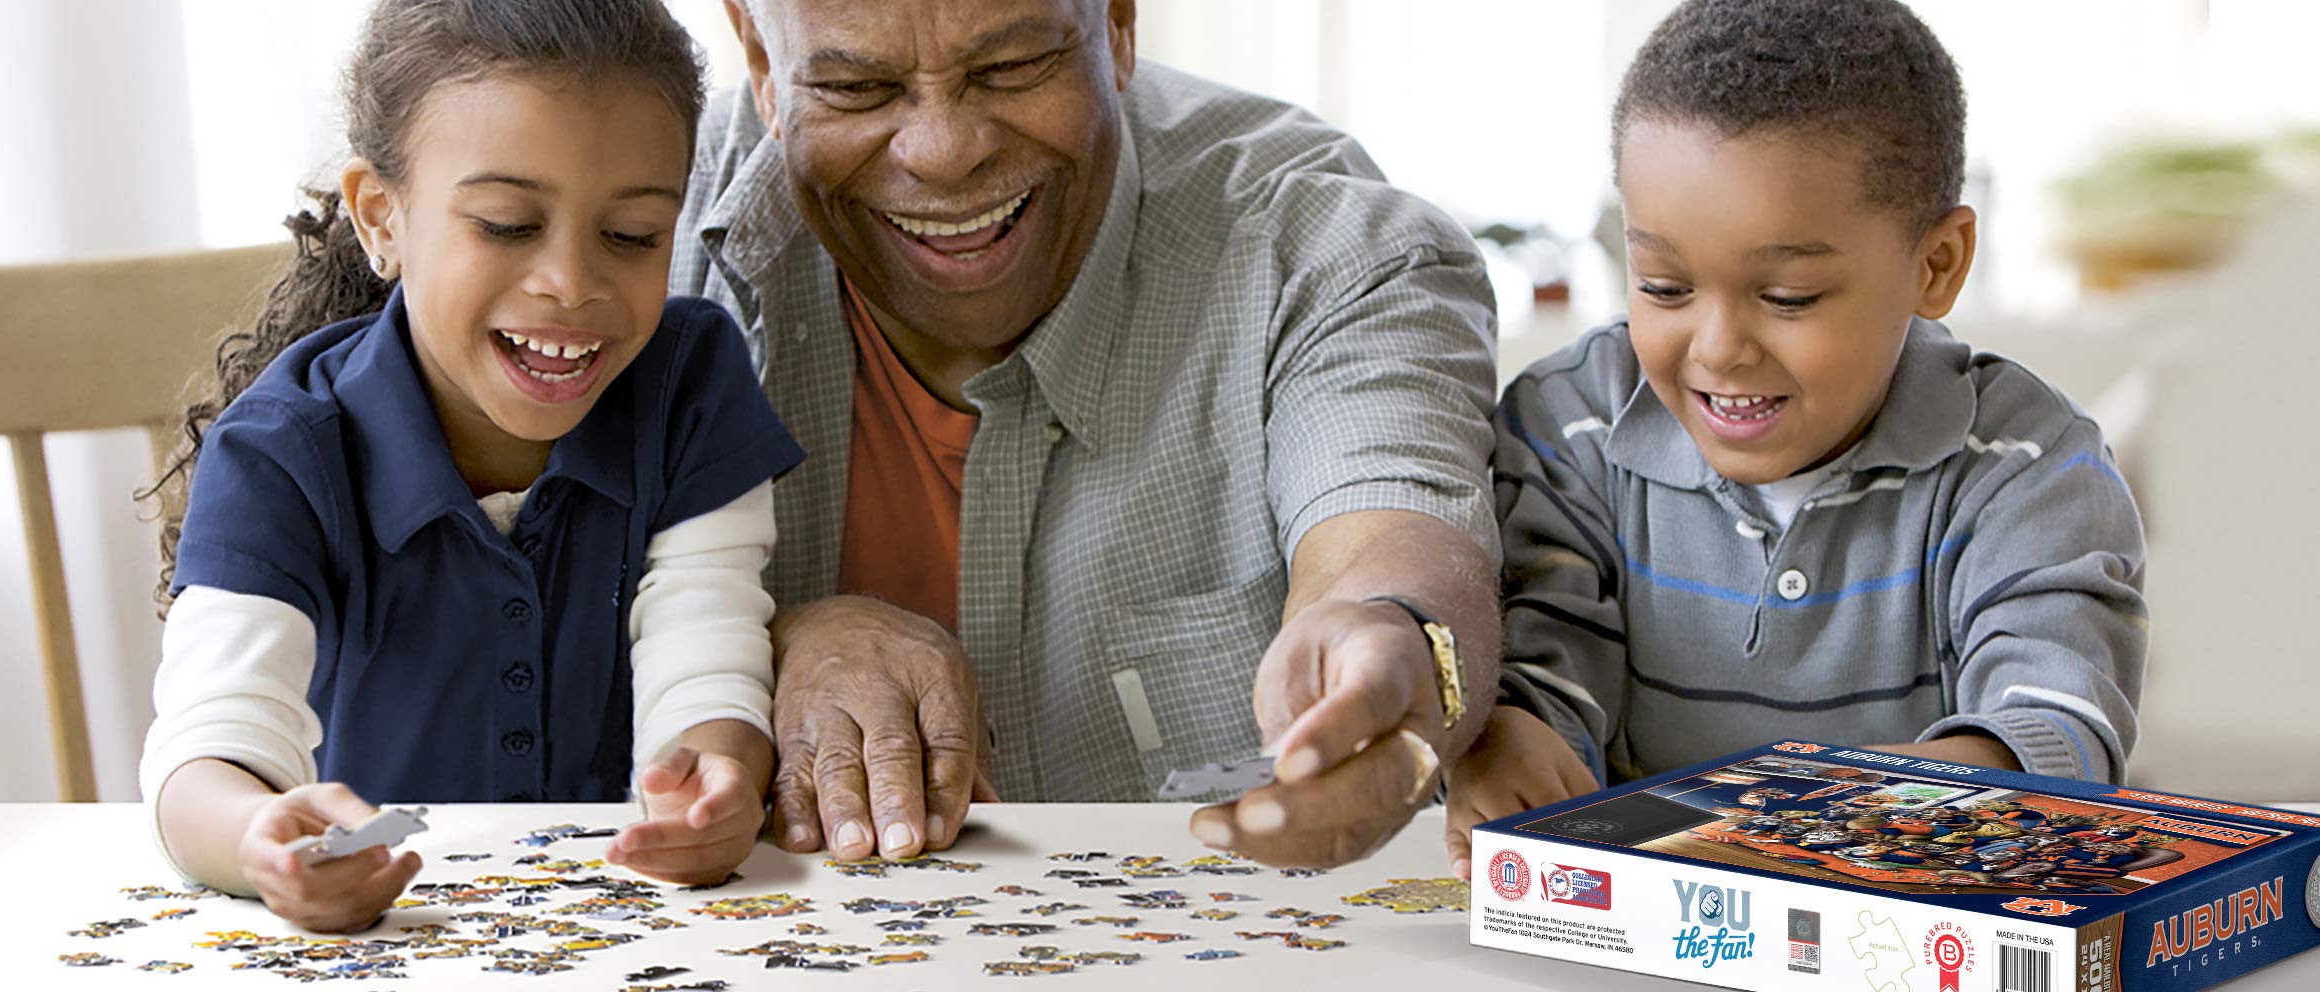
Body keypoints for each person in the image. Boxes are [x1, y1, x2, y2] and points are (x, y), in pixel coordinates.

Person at [677, 0, 1503, 869]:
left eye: (1011, 67)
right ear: (761, 61)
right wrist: (757, 642)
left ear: (1116, 23)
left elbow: (1389, 535)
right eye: (855, 86)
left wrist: (1396, 642)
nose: (944, 151)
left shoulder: (1322, 244)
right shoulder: (618, 225)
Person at [136, 0, 803, 932]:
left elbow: (706, 648)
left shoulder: (691, 385)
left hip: (633, 929)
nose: (571, 281)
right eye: (504, 223)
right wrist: (258, 836)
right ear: (381, 217)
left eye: (633, 235)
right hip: (385, 940)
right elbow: (206, 751)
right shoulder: (280, 452)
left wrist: (715, 777)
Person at [1447, 0, 2148, 878]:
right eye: (1664, 286)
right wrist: (1510, 734)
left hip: (1907, 917)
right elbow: (1547, 647)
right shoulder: (1569, 424)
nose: (1717, 348)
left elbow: (2054, 711)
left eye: (1787, 298)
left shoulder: (2028, 465)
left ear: (1936, 265)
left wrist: (1919, 800)